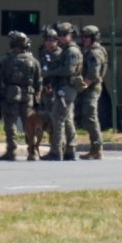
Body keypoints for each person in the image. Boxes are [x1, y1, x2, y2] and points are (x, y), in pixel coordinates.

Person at [0, 31, 42, 161]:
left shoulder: (5, 60)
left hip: (10, 95)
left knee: (10, 124)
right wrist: (37, 95)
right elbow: (38, 81)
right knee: (30, 124)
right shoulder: (33, 61)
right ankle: (33, 152)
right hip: (28, 96)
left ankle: (11, 151)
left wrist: (1, 92)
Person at [41, 22, 83, 161]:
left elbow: (68, 70)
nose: (61, 38)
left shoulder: (71, 51)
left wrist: (50, 73)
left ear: (71, 35)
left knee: (58, 118)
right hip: (63, 87)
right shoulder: (66, 50)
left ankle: (56, 151)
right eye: (60, 35)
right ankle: (70, 150)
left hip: (67, 88)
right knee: (67, 119)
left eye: (65, 35)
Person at [78, 25, 108, 160]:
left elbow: (92, 75)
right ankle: (95, 148)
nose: (84, 40)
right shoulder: (91, 51)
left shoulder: (94, 53)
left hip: (91, 88)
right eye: (83, 37)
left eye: (86, 37)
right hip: (90, 87)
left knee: (90, 116)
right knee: (88, 116)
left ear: (94, 38)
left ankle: (97, 148)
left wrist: (81, 87)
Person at [38, 27, 61, 149]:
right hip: (45, 89)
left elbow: (57, 73)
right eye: (47, 40)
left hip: (55, 89)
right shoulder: (44, 53)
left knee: (55, 118)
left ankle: (57, 145)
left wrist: (52, 86)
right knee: (46, 116)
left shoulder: (59, 54)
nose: (49, 42)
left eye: (51, 40)